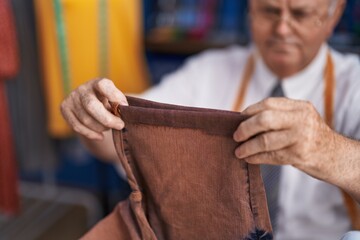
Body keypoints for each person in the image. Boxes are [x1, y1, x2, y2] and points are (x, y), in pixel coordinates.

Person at [61, 0, 360, 239]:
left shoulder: (355, 85)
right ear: (250, 9)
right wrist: (95, 116)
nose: (282, 28)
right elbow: (121, 139)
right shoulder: (209, 71)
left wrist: (328, 149)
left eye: (301, 13)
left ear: (334, 14)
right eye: (269, 11)